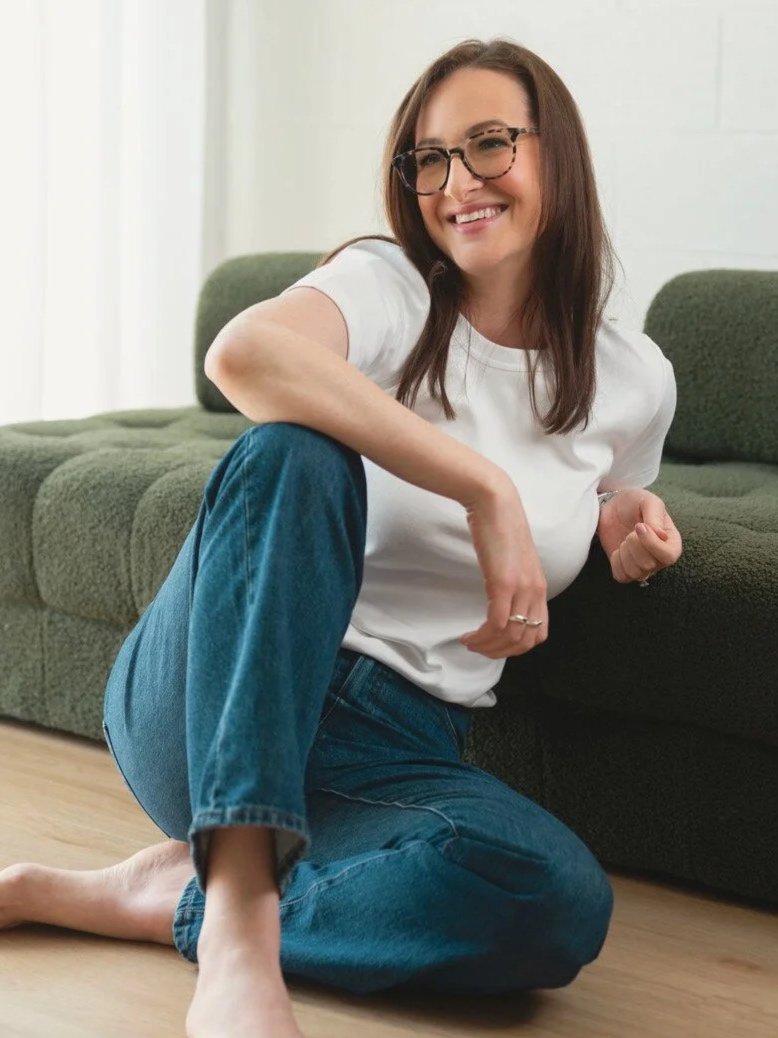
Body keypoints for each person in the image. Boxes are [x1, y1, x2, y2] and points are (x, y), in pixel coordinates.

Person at [0, 36, 682, 1038]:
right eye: (429, 159)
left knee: (554, 905)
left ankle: (159, 898)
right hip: (214, 691)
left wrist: (615, 518)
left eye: (489, 145)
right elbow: (246, 351)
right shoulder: (384, 284)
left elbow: (594, 486)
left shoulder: (632, 379)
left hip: (396, 747)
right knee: (297, 454)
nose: (457, 183)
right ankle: (235, 916)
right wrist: (479, 487)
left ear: (556, 160)